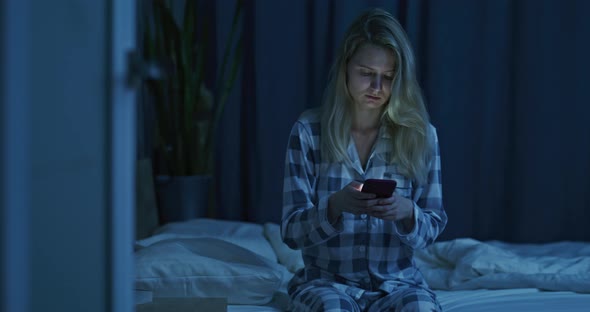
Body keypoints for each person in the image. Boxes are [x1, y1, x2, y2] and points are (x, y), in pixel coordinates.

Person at [281, 7, 448, 312]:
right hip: (326, 282)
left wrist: (407, 211)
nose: (376, 88)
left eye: (388, 78)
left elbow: (433, 227)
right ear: (346, 67)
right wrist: (334, 206)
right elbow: (291, 232)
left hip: (399, 285)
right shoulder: (308, 132)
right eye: (367, 74)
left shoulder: (422, 136)